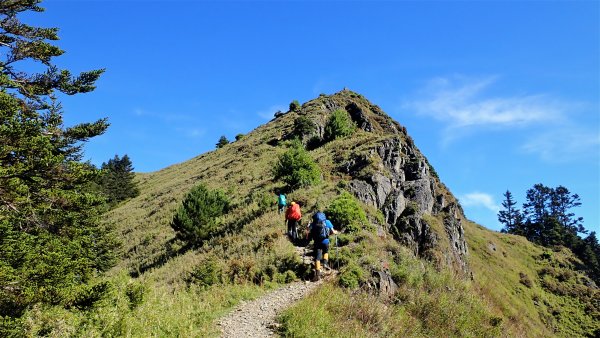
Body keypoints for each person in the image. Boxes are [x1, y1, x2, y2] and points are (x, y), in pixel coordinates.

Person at [306, 212, 336, 280]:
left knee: (317, 258)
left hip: (317, 242)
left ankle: (317, 275)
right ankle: (325, 263)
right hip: (326, 241)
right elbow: (333, 231)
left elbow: (307, 234)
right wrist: (335, 232)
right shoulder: (327, 221)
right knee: (325, 252)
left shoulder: (313, 224)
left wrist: (308, 227)